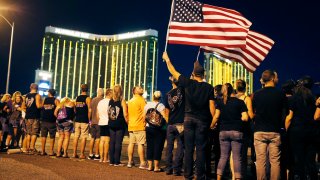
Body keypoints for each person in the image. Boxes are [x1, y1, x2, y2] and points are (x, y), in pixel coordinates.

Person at [162, 52, 216, 180]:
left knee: (189, 148)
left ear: (193, 74)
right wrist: (213, 122)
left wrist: (167, 59)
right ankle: (200, 175)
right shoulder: (209, 88)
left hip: (188, 119)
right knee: (201, 149)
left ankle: (188, 175)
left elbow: (174, 72)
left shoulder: (188, 83)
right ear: (204, 75)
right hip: (203, 120)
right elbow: (212, 107)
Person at [252, 70, 288, 180]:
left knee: (260, 161)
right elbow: (284, 114)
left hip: (259, 130)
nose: (278, 79)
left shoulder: (256, 94)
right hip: (274, 131)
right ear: (272, 78)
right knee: (275, 161)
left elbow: (253, 112)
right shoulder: (280, 94)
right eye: (276, 77)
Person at [285, 76, 318, 179]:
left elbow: (289, 118)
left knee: (299, 159)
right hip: (312, 132)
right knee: (311, 160)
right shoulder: (314, 99)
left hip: (297, 132)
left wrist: (286, 131)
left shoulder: (294, 98)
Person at [214, 83, 248, 180]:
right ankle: (237, 178)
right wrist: (238, 119)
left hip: (223, 131)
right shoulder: (240, 102)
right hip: (237, 131)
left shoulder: (220, 102)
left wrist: (212, 125)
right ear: (233, 90)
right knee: (237, 157)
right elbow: (245, 117)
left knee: (223, 156)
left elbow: (216, 116)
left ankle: (218, 178)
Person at [164, 76, 185, 176]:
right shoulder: (182, 91)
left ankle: (168, 168)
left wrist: (169, 122)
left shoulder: (167, 95)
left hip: (171, 124)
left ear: (172, 83)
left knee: (169, 147)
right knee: (180, 147)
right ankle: (177, 169)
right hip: (180, 123)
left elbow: (166, 112)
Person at [235, 79, 254, 179]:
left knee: (234, 154)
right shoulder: (246, 99)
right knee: (243, 154)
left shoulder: (232, 98)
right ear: (245, 88)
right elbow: (250, 114)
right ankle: (242, 174)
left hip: (233, 127)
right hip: (244, 129)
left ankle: (235, 175)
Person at [144, 91, 167, 172]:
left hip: (149, 127)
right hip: (158, 129)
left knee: (150, 146)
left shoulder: (147, 105)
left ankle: (150, 166)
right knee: (158, 146)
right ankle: (156, 167)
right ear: (160, 97)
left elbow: (144, 117)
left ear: (153, 96)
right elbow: (165, 117)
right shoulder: (161, 106)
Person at [127, 86, 148, 169]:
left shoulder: (130, 100)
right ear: (135, 91)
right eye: (139, 88)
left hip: (131, 125)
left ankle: (129, 161)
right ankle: (142, 163)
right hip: (139, 125)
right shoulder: (141, 100)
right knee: (140, 144)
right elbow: (145, 113)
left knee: (131, 143)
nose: (142, 89)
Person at [108, 85, 128, 166]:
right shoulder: (122, 101)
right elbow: (125, 114)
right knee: (118, 143)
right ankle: (117, 161)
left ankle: (111, 161)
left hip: (111, 123)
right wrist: (128, 123)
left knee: (112, 142)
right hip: (119, 124)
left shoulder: (110, 100)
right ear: (121, 92)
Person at [73, 84, 91, 159]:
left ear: (81, 89)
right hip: (84, 120)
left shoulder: (77, 98)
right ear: (87, 89)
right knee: (84, 137)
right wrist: (89, 119)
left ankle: (74, 153)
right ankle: (82, 154)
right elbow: (90, 110)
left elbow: (74, 108)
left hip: (77, 119)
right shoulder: (88, 98)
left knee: (76, 136)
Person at [40, 89, 59, 156]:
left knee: (43, 136)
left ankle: (42, 151)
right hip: (52, 121)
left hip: (44, 120)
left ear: (49, 93)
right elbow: (59, 109)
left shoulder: (45, 99)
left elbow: (41, 107)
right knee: (52, 137)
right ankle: (51, 151)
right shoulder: (56, 100)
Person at [25, 83, 42, 154]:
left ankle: (27, 148)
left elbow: (24, 105)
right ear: (37, 88)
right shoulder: (37, 95)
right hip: (35, 116)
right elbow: (38, 106)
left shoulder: (27, 95)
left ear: (30, 87)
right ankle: (32, 148)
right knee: (34, 133)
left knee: (28, 133)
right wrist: (43, 103)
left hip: (28, 115)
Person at [88, 88, 104, 161]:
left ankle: (90, 154)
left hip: (93, 122)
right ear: (103, 93)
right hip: (99, 122)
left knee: (92, 138)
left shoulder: (93, 100)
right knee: (98, 139)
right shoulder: (103, 101)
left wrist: (90, 120)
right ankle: (97, 154)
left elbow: (90, 111)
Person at [97, 88, 113, 163]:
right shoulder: (110, 102)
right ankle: (105, 158)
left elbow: (97, 114)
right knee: (107, 141)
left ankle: (101, 157)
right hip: (108, 122)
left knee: (102, 140)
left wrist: (100, 120)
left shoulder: (100, 102)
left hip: (101, 122)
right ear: (109, 94)